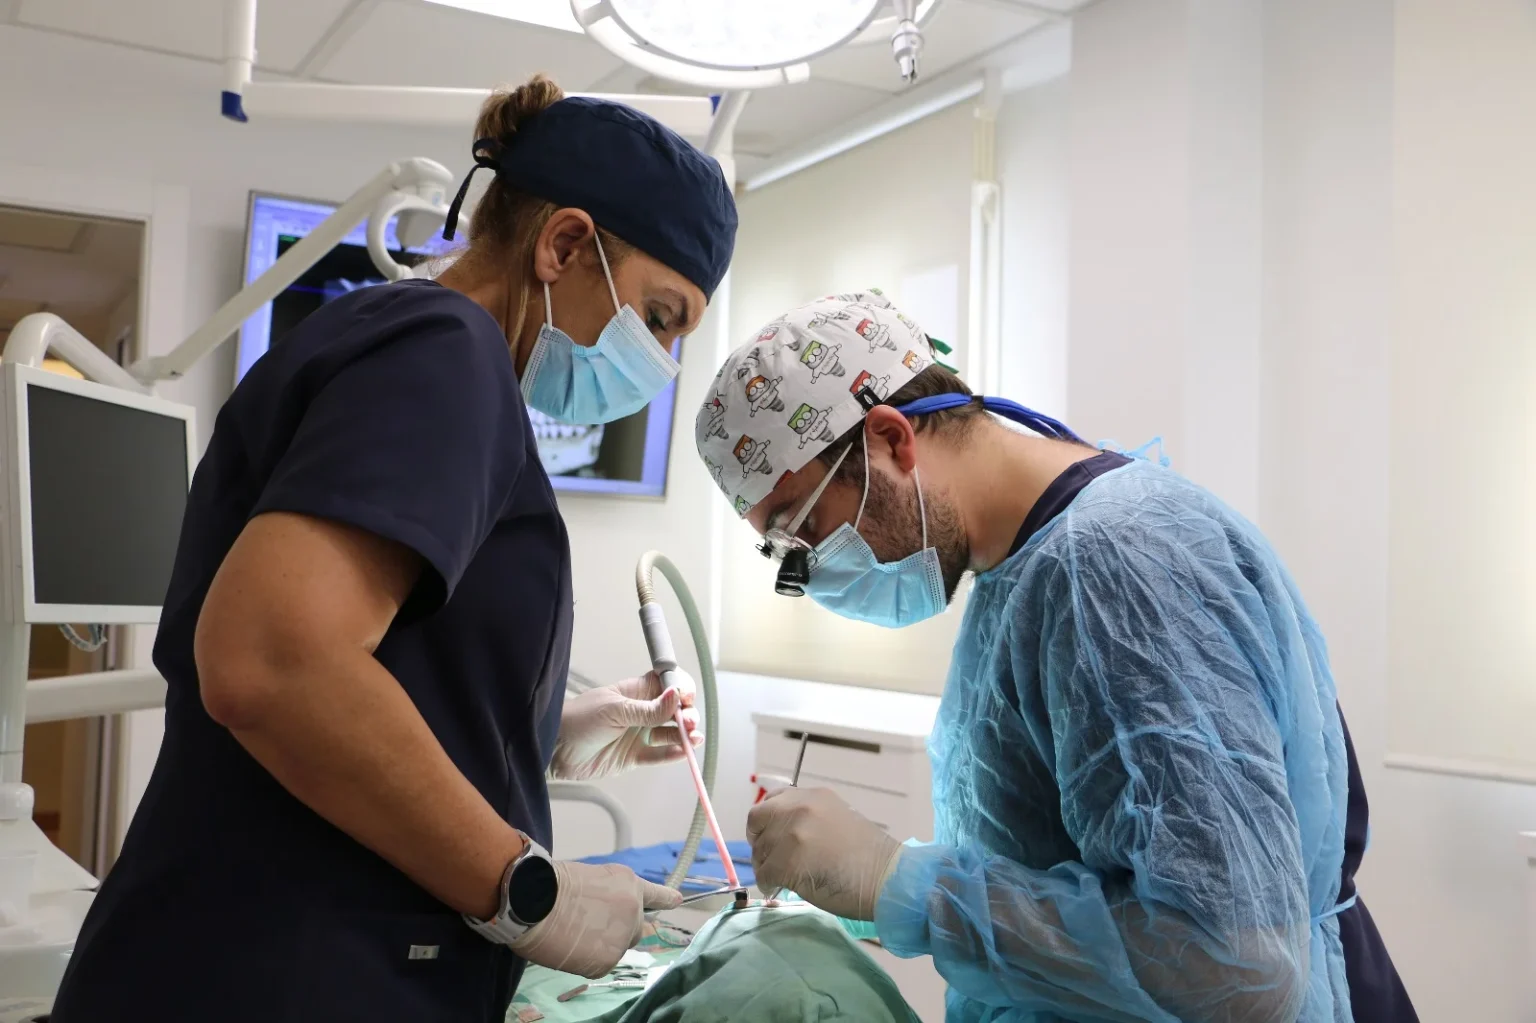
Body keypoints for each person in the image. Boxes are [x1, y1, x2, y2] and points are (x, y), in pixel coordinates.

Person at [51, 75, 736, 1023]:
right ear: (565, 243)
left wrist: (552, 732)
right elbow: (272, 662)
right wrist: (529, 891)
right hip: (282, 970)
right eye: (659, 316)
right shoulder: (447, 353)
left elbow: (372, 668)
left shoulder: (403, 341)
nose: (657, 361)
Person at [696, 291, 1416, 1023]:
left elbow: (1233, 962)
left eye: (803, 527)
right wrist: (862, 883)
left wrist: (899, 881)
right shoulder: (1023, 567)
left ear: (889, 440)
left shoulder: (1119, 564)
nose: (810, 568)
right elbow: (1059, 854)